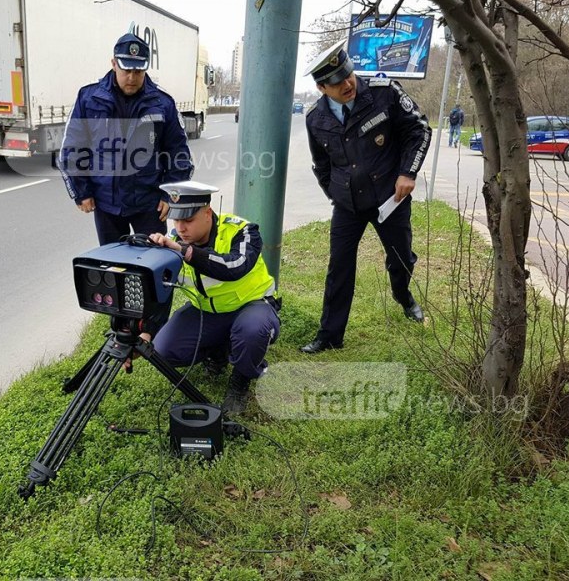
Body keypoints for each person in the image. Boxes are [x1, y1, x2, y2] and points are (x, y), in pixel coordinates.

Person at [300, 39, 431, 354]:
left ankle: (404, 296)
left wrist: (408, 172)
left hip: (390, 197)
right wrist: (335, 193)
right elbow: (322, 165)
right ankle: (330, 336)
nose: (347, 84)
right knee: (340, 267)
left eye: (348, 74)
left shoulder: (385, 93)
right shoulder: (315, 119)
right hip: (349, 204)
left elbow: (419, 130)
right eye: (337, 82)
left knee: (401, 259)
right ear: (321, 88)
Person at [140, 181, 281, 415]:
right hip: (206, 313)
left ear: (207, 212)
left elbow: (234, 266)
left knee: (252, 331)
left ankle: (240, 382)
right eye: (177, 220)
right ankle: (218, 352)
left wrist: (185, 252)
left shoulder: (243, 231)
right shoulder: (175, 239)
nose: (181, 228)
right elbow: (162, 289)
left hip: (252, 306)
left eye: (188, 220)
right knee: (163, 351)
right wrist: (148, 329)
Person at [58, 32, 194, 245]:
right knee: (113, 269)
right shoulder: (89, 98)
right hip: (106, 205)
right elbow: (72, 149)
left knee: (153, 265)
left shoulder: (162, 103)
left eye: (138, 71)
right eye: (126, 69)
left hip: (149, 206)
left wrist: (171, 195)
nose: (132, 77)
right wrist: (81, 192)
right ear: (114, 64)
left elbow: (179, 154)